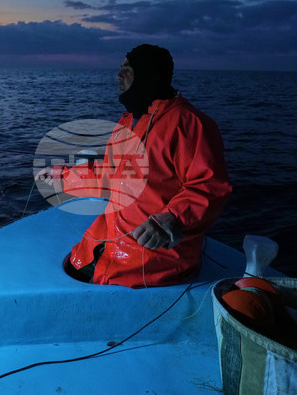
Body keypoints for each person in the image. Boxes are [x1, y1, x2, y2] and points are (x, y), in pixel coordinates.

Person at [36, 44, 232, 287]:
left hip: (155, 257)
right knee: (67, 275)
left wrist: (171, 220)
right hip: (107, 241)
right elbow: (111, 175)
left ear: (148, 74)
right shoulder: (129, 121)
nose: (118, 76)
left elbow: (209, 187)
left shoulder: (189, 124)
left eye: (127, 69)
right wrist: (63, 177)